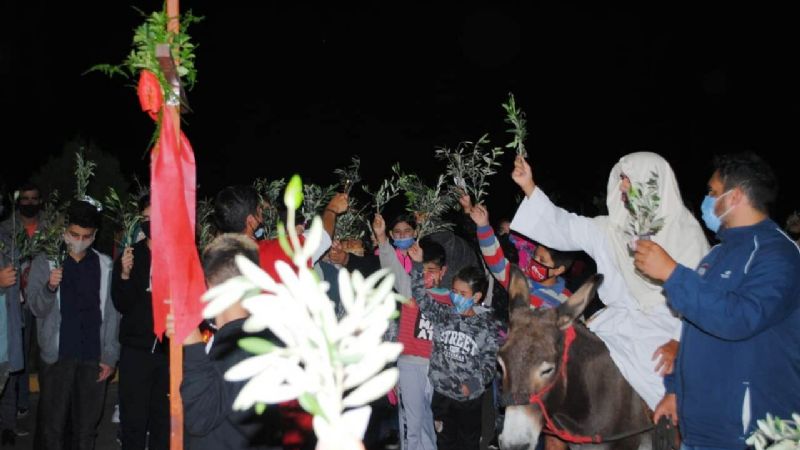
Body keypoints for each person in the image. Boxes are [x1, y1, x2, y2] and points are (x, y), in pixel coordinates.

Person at [509, 151, 709, 410]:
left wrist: (680, 342)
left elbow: (703, 300)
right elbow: (565, 225)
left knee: (676, 392)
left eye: (630, 179)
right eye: (621, 178)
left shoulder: (687, 236)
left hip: (668, 331)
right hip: (618, 324)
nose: (623, 185)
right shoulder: (609, 229)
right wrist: (528, 186)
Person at [634, 152, 800, 449]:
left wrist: (672, 274)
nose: (706, 200)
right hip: (701, 431)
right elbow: (695, 329)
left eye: (712, 192)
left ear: (734, 196)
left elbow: (740, 319)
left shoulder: (778, 255)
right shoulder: (716, 255)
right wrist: (675, 392)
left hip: (757, 433)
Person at [171, 233, 282, 449]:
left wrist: (193, 347)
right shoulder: (259, 336)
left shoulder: (240, 346)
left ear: (210, 288)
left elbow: (199, 418)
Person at [27, 200, 120, 450]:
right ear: (65, 231)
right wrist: (50, 287)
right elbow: (35, 308)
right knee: (52, 429)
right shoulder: (45, 262)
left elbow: (112, 314)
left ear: (94, 236)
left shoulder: (104, 265)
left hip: (93, 358)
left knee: (86, 430)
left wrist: (110, 356)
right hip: (58, 357)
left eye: (86, 236)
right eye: (74, 234)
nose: (79, 240)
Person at [408, 244, 498, 450]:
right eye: (454, 291)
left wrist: (473, 386)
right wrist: (416, 264)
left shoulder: (486, 326)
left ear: (476, 297)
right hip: (441, 395)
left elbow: (490, 365)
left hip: (468, 400)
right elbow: (421, 297)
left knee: (467, 443)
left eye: (462, 293)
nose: (456, 296)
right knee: (444, 442)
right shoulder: (444, 314)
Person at [111, 195, 169, 450]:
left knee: (163, 422)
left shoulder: (178, 257)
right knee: (133, 422)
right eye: (145, 218)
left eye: (155, 217)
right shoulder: (130, 257)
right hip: (136, 352)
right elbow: (121, 304)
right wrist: (124, 274)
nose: (150, 223)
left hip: (167, 352)